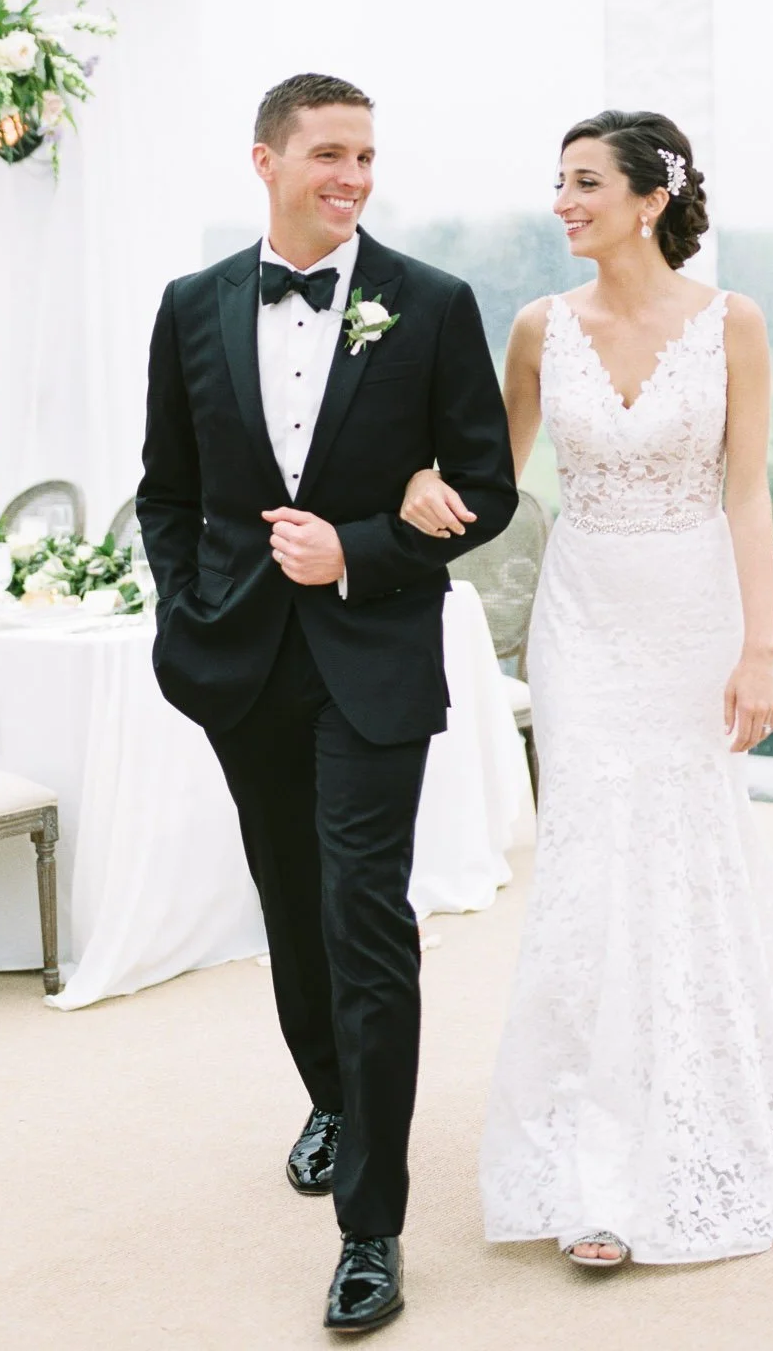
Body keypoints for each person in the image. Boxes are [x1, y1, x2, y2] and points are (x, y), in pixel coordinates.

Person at [400, 108, 773, 1268]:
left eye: (584, 183)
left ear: (650, 199)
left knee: (683, 850)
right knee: (589, 856)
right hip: (581, 619)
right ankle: (593, 1145)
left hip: (689, 614)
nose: (561, 202)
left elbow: (747, 495)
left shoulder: (732, 325)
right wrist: (415, 477)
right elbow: (489, 480)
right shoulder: (535, 328)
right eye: (557, 183)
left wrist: (758, 648)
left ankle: (692, 1104)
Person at [136, 73, 516, 1332]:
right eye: (329, 154)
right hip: (238, 663)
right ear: (267, 161)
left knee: (366, 918)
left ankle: (372, 1225)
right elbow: (165, 490)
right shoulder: (190, 308)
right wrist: (188, 610)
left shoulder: (432, 303)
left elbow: (485, 487)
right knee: (289, 907)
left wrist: (356, 548)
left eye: (366, 156)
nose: (353, 176)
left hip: (373, 661)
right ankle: (333, 1095)